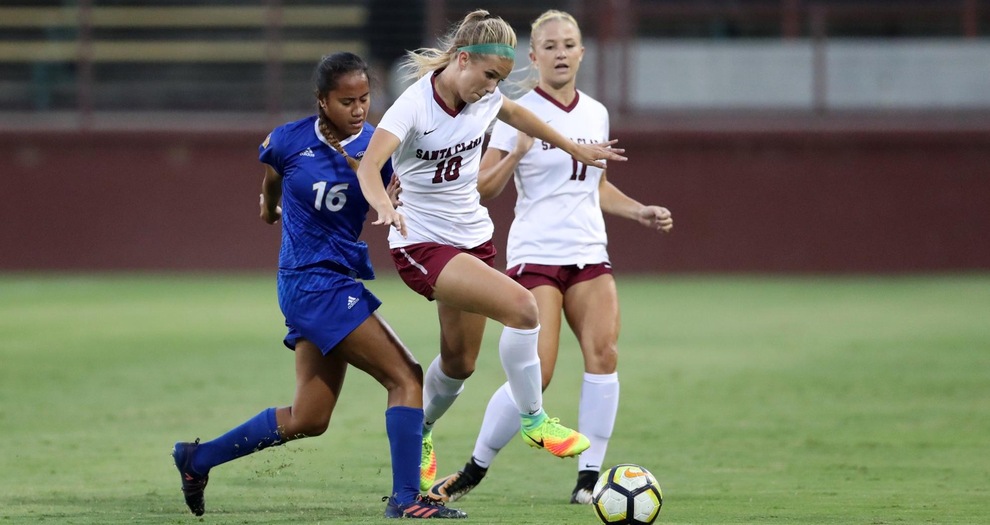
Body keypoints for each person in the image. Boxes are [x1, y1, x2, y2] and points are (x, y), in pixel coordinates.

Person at [170, 52, 466, 520]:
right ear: (322, 101)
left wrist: (391, 199)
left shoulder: (377, 147)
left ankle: (195, 459)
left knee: (310, 418)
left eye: (365, 98)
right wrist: (269, 210)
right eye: (346, 100)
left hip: (333, 282)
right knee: (406, 377)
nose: (358, 108)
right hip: (312, 283)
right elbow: (272, 181)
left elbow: (394, 191)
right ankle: (407, 500)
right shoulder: (288, 140)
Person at [353, 9, 629, 497]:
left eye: (500, 80)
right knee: (524, 310)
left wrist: (574, 149)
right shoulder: (413, 106)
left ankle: (419, 430)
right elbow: (370, 167)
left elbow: (521, 114)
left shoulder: (485, 93)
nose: (491, 89)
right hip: (422, 242)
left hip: (472, 239)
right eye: (487, 77)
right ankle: (534, 420)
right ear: (462, 59)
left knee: (459, 363)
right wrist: (382, 207)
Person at [426, 10, 673, 505]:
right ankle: (475, 468)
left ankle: (588, 481)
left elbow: (595, 186)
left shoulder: (595, 113)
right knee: (538, 372)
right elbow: (483, 187)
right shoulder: (506, 109)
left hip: (589, 252)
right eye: (550, 46)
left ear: (582, 52)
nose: (561, 53)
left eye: (570, 44)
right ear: (532, 57)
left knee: (604, 355)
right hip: (535, 254)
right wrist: (517, 152)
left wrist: (638, 211)